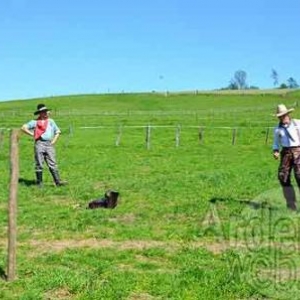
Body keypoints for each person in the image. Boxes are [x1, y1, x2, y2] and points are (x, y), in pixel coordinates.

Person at [21, 104, 67, 187]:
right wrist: (32, 134)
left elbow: (58, 132)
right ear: (40, 113)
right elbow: (23, 128)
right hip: (39, 143)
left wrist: (53, 141)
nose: (46, 113)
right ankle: (40, 183)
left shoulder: (51, 121)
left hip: (49, 144)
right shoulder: (34, 122)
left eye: (46, 111)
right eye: (43, 112)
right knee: (39, 163)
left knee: (52, 163)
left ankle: (58, 182)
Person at [273, 104, 300, 211]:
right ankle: (291, 205)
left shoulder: (298, 123)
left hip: (299, 151)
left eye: (284, 115)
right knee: (283, 177)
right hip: (286, 153)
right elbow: (275, 143)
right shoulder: (277, 129)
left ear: (288, 114)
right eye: (280, 116)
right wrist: (275, 150)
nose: (282, 118)